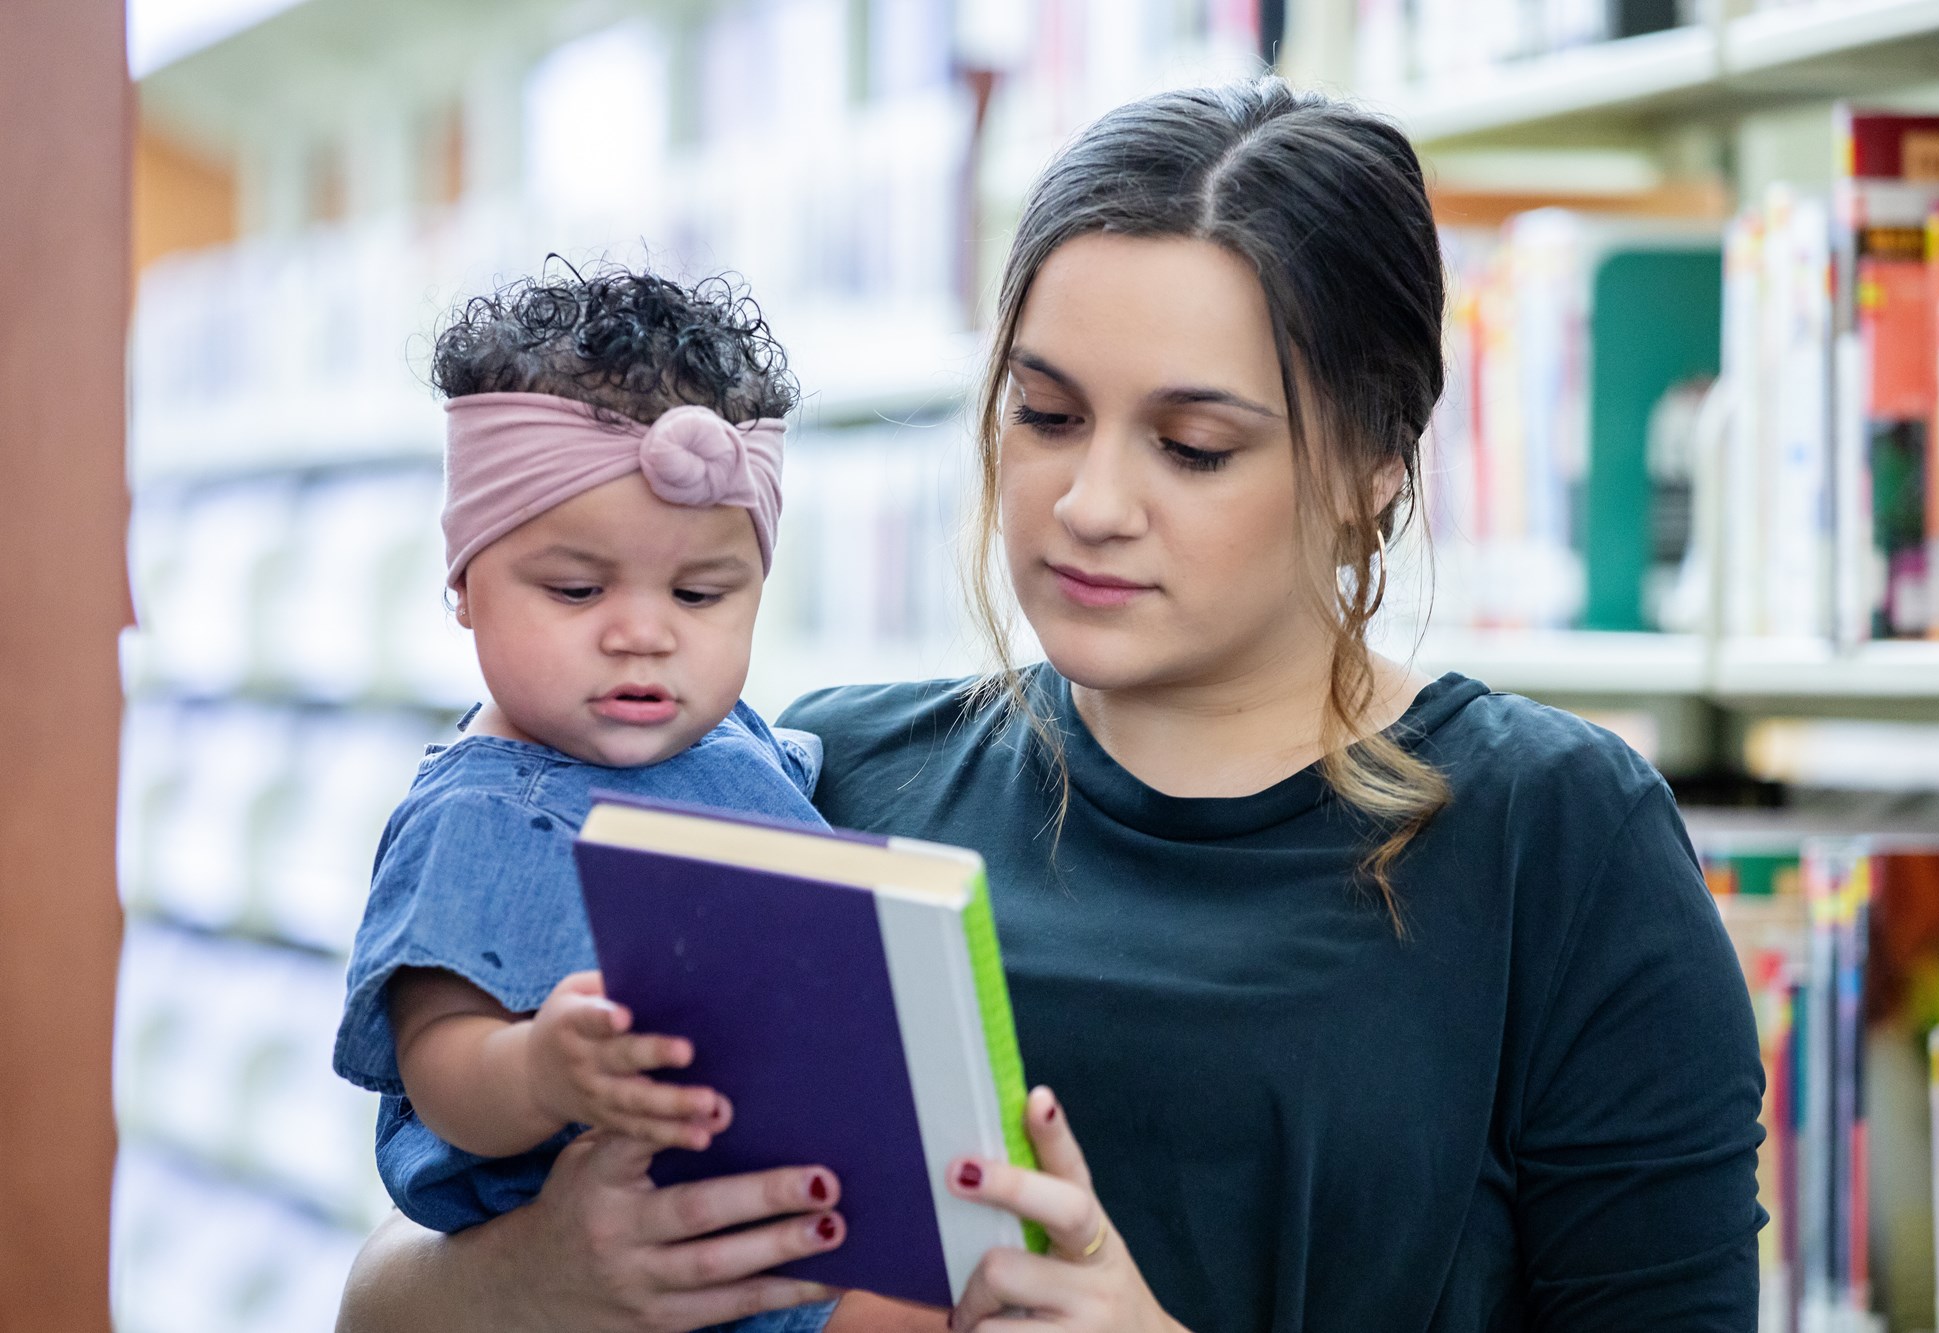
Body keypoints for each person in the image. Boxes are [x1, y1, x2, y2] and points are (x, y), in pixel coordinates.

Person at [336, 78, 1764, 1333]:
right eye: (1048, 414)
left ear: (1373, 464)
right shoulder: (816, 782)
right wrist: (541, 1282)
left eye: (1194, 446)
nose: (1087, 506)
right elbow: (386, 1289)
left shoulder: (1558, 841)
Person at [331, 266, 843, 1333]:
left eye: (700, 594)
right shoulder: (478, 815)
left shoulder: (727, 737)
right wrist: (540, 1067)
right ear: (465, 582)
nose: (642, 632)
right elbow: (438, 1065)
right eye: (575, 589)